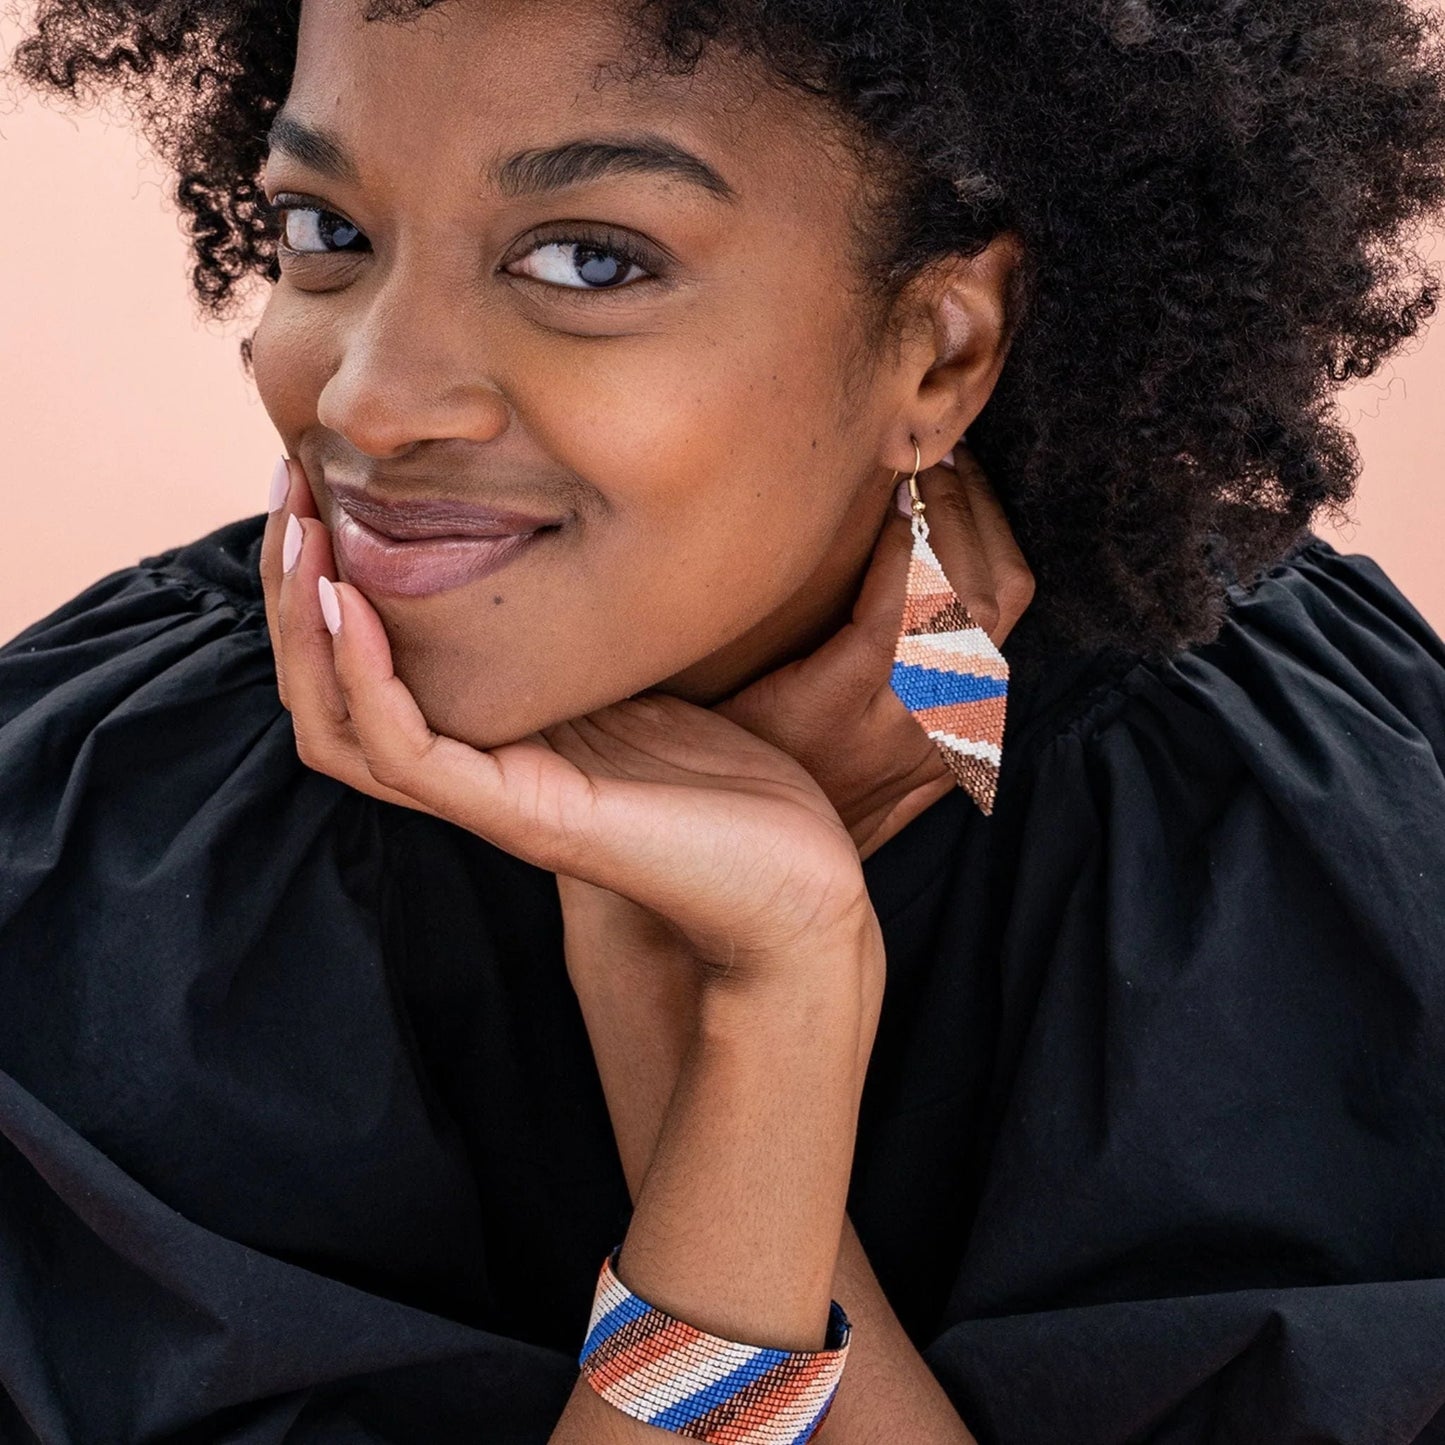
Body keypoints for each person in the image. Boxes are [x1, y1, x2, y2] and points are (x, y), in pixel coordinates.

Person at [4, 0, 1445, 1440]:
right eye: (329, 231)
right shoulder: (107, 833)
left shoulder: (1279, 829)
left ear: (939, 354)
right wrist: (751, 988)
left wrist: (717, 995)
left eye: (588, 259)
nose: (370, 401)